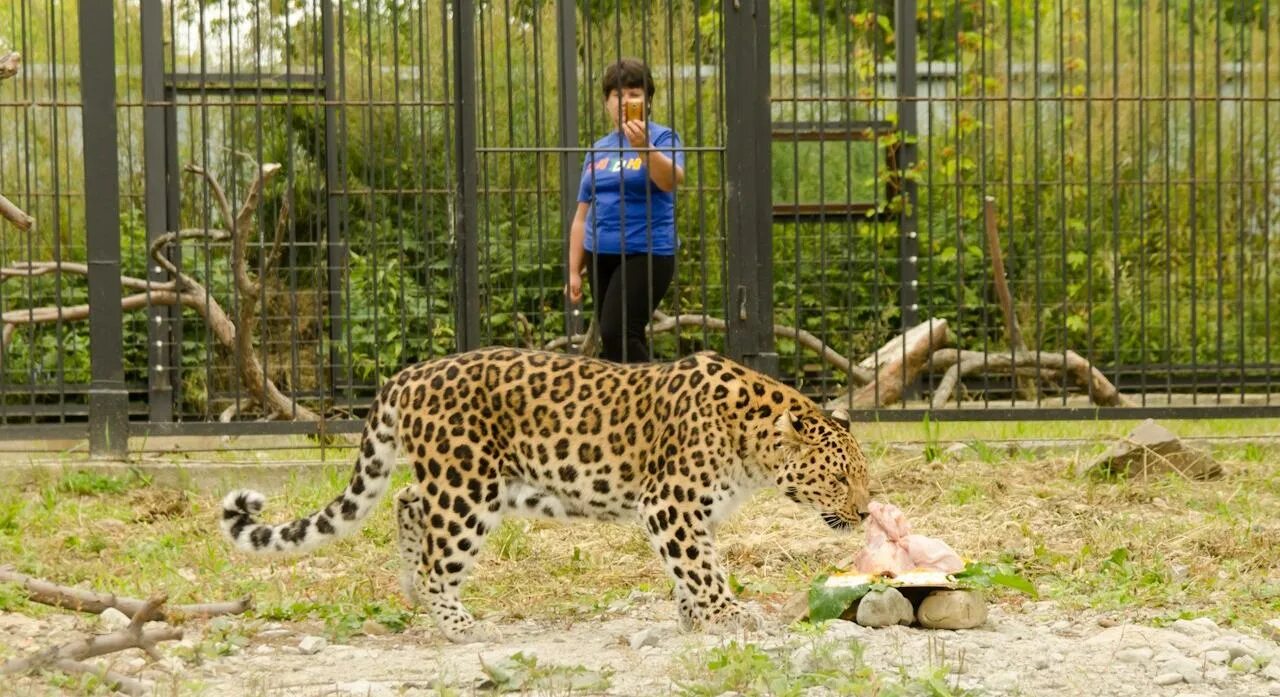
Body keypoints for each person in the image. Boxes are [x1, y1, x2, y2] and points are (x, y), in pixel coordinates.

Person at [567, 58, 684, 363]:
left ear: (647, 100)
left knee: (618, 332)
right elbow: (582, 214)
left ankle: (657, 401)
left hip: (647, 251)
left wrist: (644, 147)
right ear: (607, 102)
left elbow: (671, 180)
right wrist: (573, 270)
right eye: (618, 95)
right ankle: (629, 407)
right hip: (600, 253)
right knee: (617, 337)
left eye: (634, 93)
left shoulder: (663, 138)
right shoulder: (598, 148)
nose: (626, 101)